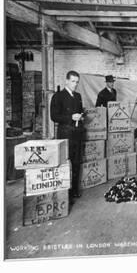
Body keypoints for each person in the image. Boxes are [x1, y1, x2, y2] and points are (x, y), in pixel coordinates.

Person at [50, 70, 84, 203]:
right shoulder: (58, 97)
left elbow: (80, 111)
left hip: (77, 134)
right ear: (66, 81)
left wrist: (81, 116)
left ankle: (74, 191)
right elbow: (54, 117)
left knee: (76, 163)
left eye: (77, 82)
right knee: (65, 164)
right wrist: (70, 117)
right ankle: (65, 194)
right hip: (65, 134)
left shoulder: (78, 96)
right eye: (73, 81)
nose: (75, 84)